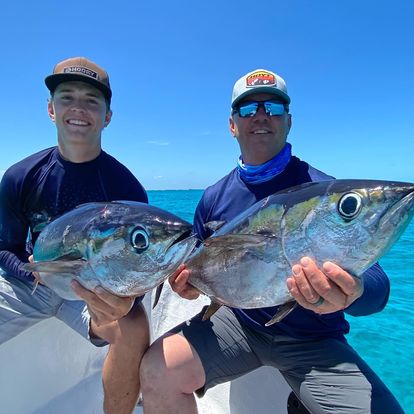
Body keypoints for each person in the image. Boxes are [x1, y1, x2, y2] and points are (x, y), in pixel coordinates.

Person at [140, 69, 404, 413]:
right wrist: (187, 287)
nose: (261, 116)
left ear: (289, 121)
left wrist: (352, 292)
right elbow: (197, 266)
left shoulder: (324, 190)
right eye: (248, 109)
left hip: (314, 337)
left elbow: (377, 289)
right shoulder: (213, 198)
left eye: (273, 107)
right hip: (238, 325)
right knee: (156, 370)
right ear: (233, 125)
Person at [0, 57, 149, 414]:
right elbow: (5, 247)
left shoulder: (125, 188)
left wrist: (116, 300)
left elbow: (138, 266)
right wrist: (30, 272)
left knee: (134, 329)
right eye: (67, 97)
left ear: (107, 116)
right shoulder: (21, 176)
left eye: (92, 100)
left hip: (91, 294)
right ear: (51, 109)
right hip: (31, 283)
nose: (78, 108)